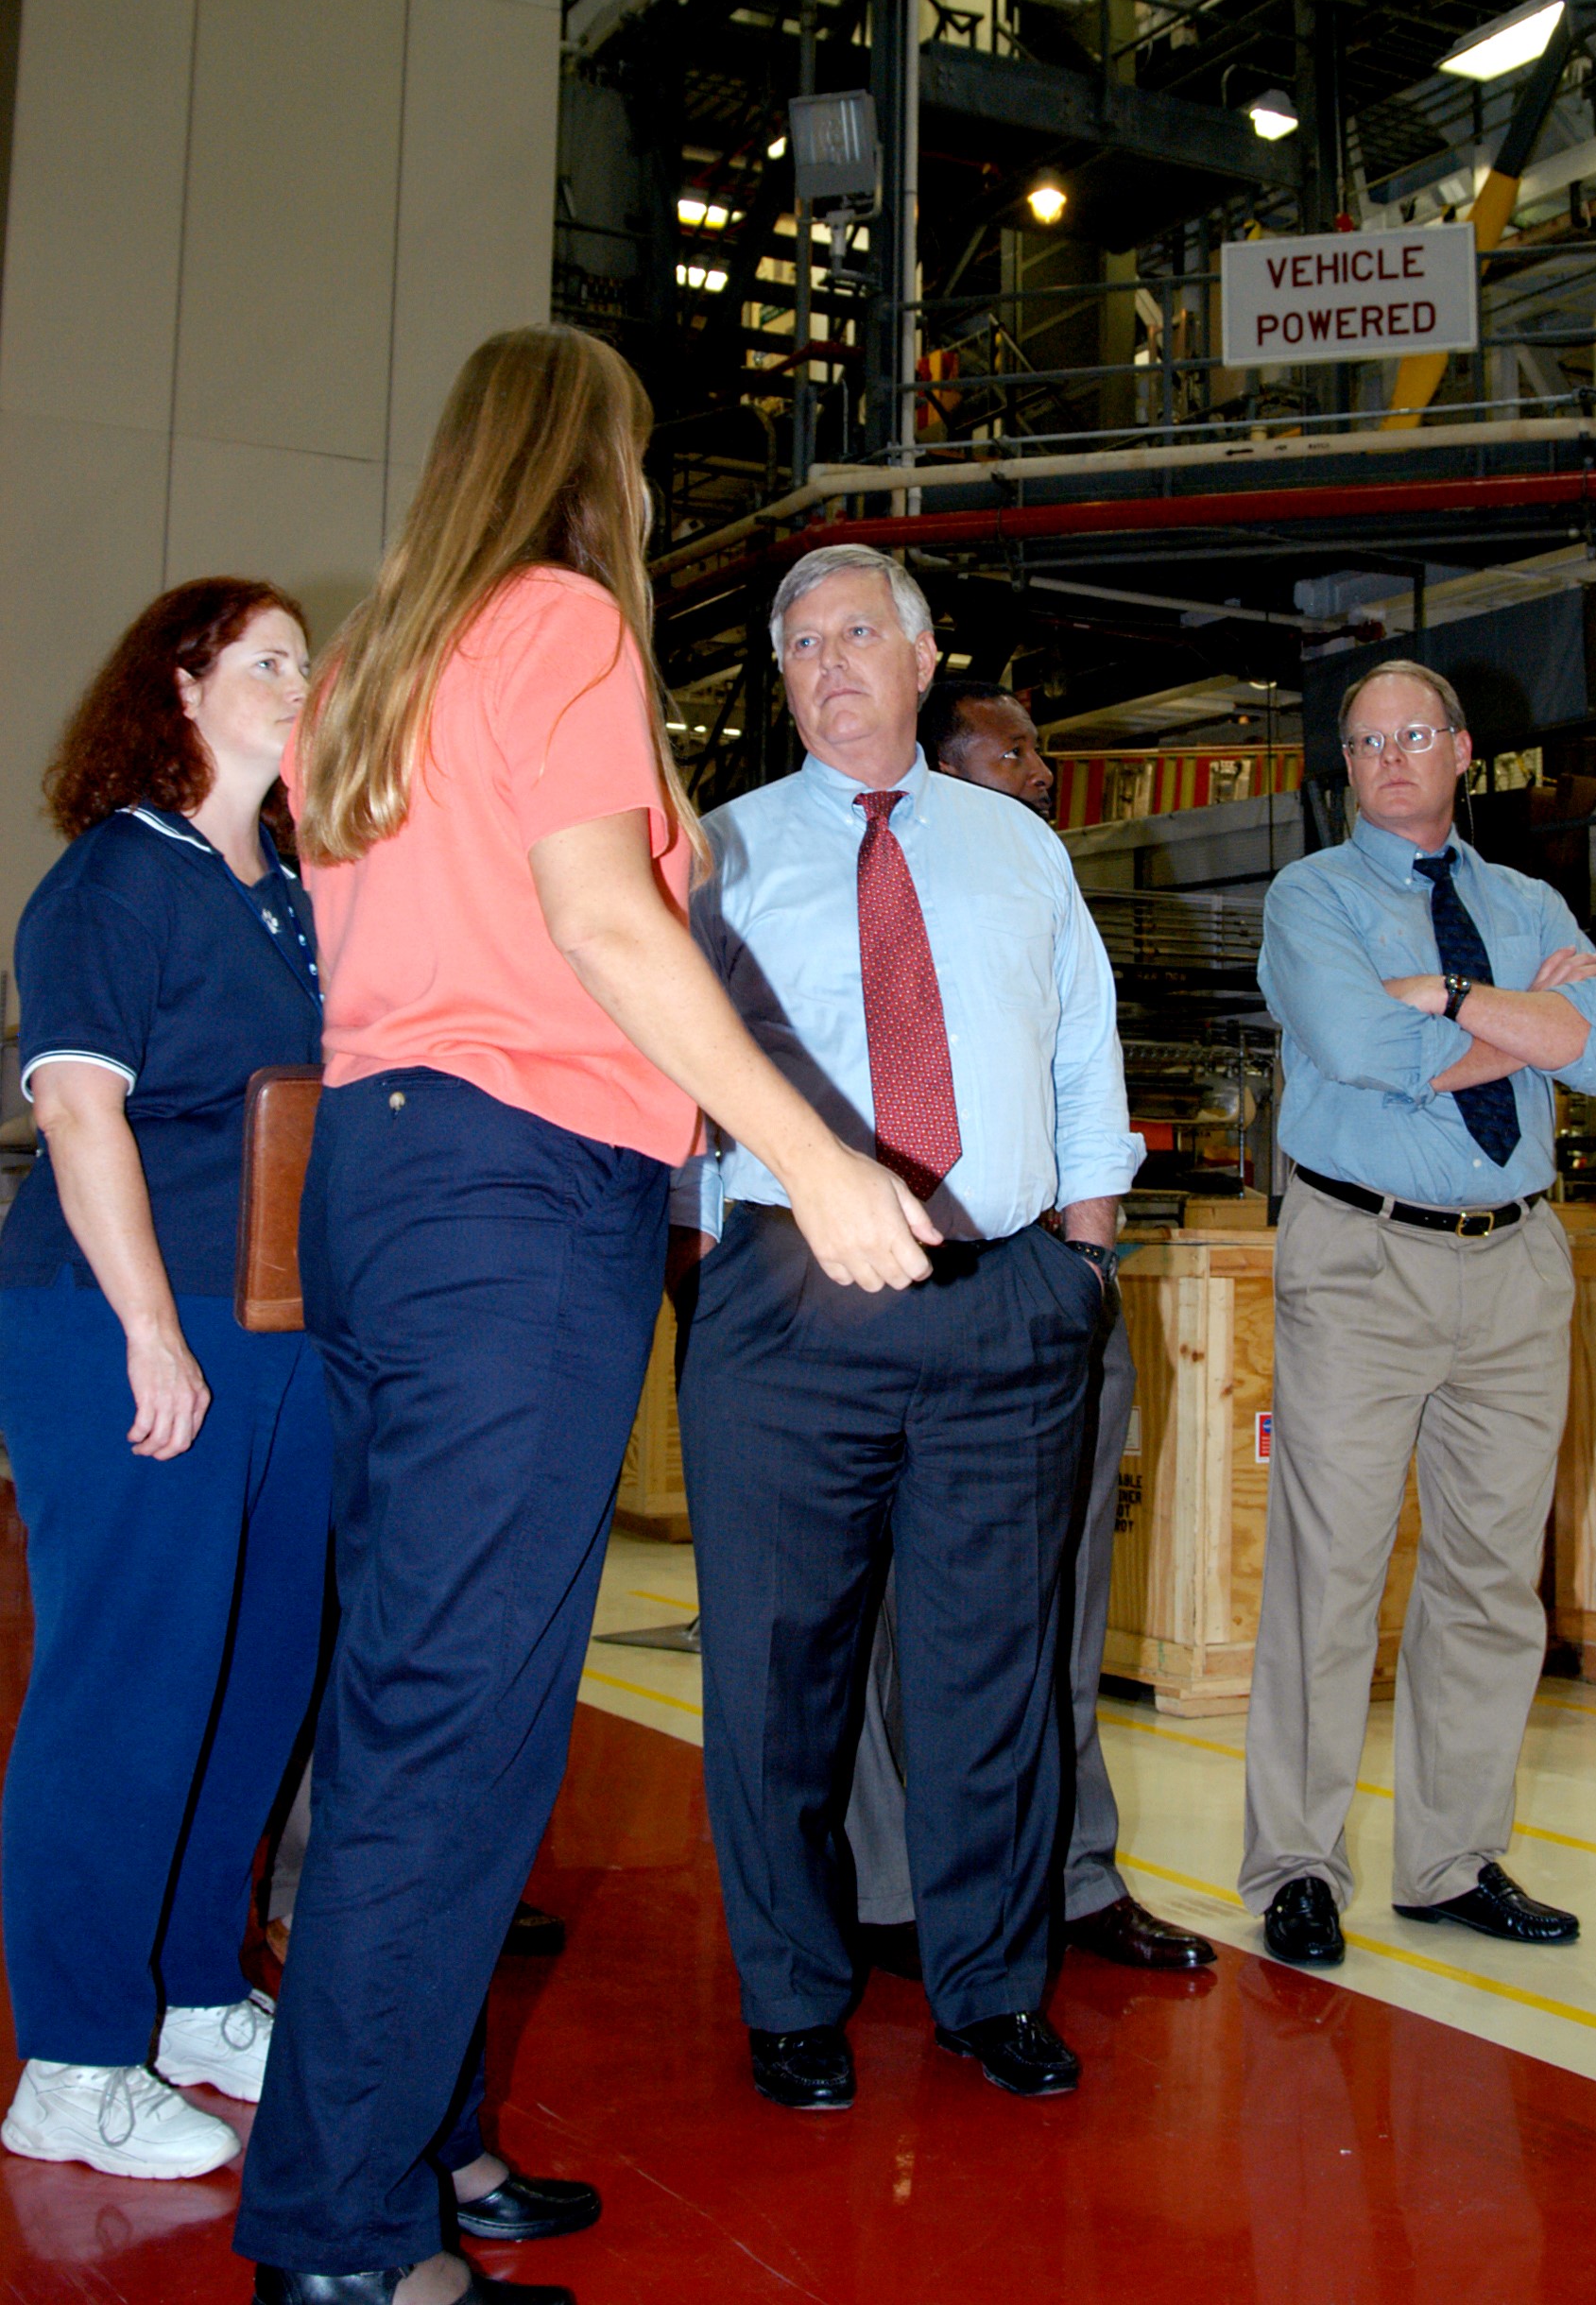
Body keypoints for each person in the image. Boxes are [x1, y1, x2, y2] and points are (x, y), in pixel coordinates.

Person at [232, 331, 930, 2305]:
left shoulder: (375, 663)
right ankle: (342, 2235)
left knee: (412, 1683)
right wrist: (814, 1152)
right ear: (583, 464)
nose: (640, 490)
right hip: (514, 1202)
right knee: (455, 1720)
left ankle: (422, 2142)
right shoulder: (555, 620)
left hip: (383, 1187)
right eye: (632, 454)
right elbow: (597, 924)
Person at [671, 549, 1145, 2112]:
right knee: (773, 1672)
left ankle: (991, 1985)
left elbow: (1085, 1044)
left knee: (989, 1672)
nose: (827, 661)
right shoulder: (716, 854)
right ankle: (793, 1992)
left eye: (858, 631)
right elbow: (670, 1086)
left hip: (1006, 1300)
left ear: (926, 655)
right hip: (787, 1305)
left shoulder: (1020, 850)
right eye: (798, 642)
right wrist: (712, 1270)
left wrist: (1079, 1252)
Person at [0, 580, 331, 2179]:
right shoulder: (118, 879)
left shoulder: (298, 895)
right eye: (271, 660)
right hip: (124, 1325)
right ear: (184, 687)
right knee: (126, 1691)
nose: (302, 682)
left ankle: (195, 1993)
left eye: (306, 663)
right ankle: (69, 2057)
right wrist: (148, 1327)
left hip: (281, 1337)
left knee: (254, 1684)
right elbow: (78, 1112)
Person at [1241, 659, 1596, 1969]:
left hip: (1515, 1267)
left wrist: (1461, 1000)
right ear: (1346, 764)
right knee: (1331, 1572)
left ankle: (1450, 1860)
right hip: (1363, 1258)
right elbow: (1364, 1050)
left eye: (1413, 734)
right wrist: (1538, 1026)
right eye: (1365, 741)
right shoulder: (1313, 898)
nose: (1390, 757)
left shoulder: (1523, 901)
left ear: (1463, 751)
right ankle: (1297, 1863)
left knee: (1488, 1579)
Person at [847, 677, 1214, 1976]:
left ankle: (1071, 1874)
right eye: (1014, 754)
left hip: (1046, 1275)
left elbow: (1090, 1061)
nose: (1042, 771)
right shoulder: (850, 881)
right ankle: (888, 1889)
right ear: (938, 766)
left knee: (1062, 1590)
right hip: (883, 1286)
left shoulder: (1041, 884)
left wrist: (1086, 1263)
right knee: (890, 1609)